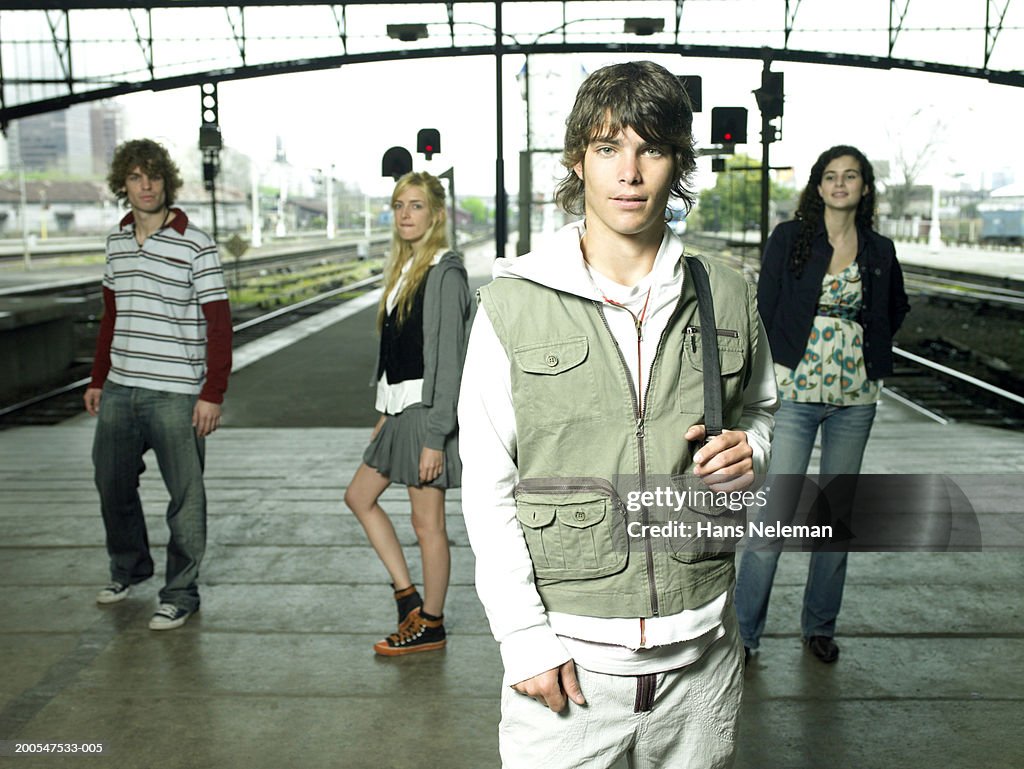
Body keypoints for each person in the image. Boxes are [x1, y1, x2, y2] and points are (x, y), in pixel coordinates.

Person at [459, 61, 778, 768]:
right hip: (568, 665)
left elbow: (760, 412)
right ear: (579, 160)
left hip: (703, 661)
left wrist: (752, 451)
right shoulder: (514, 303)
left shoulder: (727, 294)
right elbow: (486, 483)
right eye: (608, 148)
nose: (629, 172)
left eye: (651, 148)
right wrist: (523, 641)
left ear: (677, 162)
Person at [736, 145, 910, 664]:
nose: (840, 184)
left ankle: (819, 628)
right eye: (831, 176)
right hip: (794, 393)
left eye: (850, 176)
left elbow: (895, 307)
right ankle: (745, 635)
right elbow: (764, 306)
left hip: (856, 396)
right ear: (818, 186)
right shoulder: (791, 240)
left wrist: (861, 341)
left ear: (863, 187)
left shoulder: (878, 249)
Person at [85, 138, 232, 631]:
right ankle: (128, 567)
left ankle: (180, 592)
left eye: (153, 176)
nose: (145, 185)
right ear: (122, 185)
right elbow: (111, 317)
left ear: (166, 181)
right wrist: (98, 379)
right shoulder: (115, 242)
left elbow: (218, 324)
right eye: (134, 176)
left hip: (176, 392)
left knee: (185, 498)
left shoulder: (196, 243)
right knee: (111, 484)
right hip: (122, 388)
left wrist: (212, 393)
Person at [344, 171, 471, 656]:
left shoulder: (444, 270)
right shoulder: (404, 268)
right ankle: (407, 596)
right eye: (399, 205)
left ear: (436, 215)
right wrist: (382, 415)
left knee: (428, 526)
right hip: (398, 412)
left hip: (425, 415)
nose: (405, 214)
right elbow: (395, 354)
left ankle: (431, 622)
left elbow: (448, 360)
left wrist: (437, 437)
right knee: (359, 496)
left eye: (416, 206)